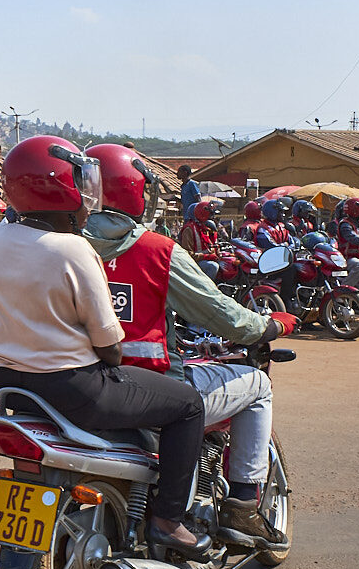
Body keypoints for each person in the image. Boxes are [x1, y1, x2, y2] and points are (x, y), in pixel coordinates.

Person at [0, 135, 211, 559]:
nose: (89, 195)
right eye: (80, 181)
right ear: (60, 187)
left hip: (4, 383)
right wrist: (105, 353)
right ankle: (167, 520)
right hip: (73, 388)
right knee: (189, 405)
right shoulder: (74, 249)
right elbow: (110, 344)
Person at [85, 143, 295, 548]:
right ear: (135, 191)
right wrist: (270, 325)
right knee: (257, 386)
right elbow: (224, 317)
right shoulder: (157, 250)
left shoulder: (64, 246)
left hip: (84, 382)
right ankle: (243, 505)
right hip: (152, 386)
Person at [256, 198, 301, 312]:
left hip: (283, 260)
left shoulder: (281, 226)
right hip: (270, 263)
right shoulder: (263, 228)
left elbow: (292, 242)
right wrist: (285, 245)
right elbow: (270, 245)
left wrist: (285, 245)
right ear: (272, 212)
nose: (283, 214)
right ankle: (286, 299)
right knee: (292, 270)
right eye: (280, 212)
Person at [177, 200, 222, 280]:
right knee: (213, 267)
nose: (212, 218)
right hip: (193, 263)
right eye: (210, 215)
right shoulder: (189, 229)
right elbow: (187, 254)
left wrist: (219, 253)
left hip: (204, 260)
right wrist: (206, 256)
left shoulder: (206, 229)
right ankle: (206, 290)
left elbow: (211, 247)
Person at [336, 197, 359, 290]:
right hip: (347, 259)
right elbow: (353, 239)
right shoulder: (345, 225)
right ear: (355, 210)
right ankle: (341, 292)